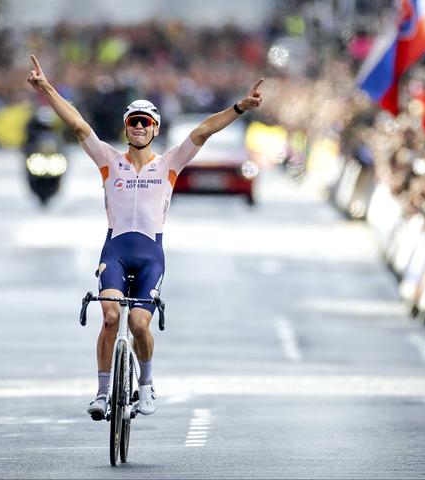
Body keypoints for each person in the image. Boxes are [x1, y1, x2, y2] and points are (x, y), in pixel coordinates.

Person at [26, 55, 264, 419]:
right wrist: (46, 88)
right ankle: (104, 393)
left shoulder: (168, 164)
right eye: (133, 122)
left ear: (154, 129)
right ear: (126, 128)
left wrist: (239, 108)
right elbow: (77, 124)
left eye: (145, 123)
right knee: (108, 318)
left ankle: (148, 385)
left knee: (138, 323)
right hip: (116, 252)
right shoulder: (108, 160)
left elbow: (203, 131)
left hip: (151, 256)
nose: (138, 127)